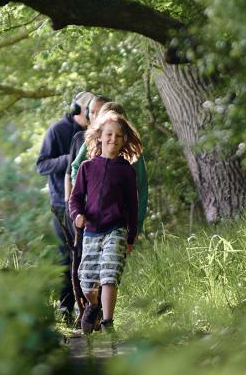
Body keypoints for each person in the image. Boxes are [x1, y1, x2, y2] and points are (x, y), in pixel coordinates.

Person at [69, 109, 143, 334]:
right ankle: (93, 306)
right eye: (109, 134)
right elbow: (75, 198)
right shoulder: (87, 167)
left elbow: (133, 206)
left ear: (124, 141)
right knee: (87, 280)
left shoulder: (126, 171)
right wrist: (77, 215)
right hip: (91, 230)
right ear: (99, 137)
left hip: (116, 229)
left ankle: (108, 323)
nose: (113, 139)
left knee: (109, 274)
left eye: (118, 136)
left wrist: (130, 237)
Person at [36, 91, 94, 323]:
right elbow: (41, 165)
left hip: (90, 205)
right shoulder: (57, 130)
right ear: (78, 110)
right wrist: (68, 159)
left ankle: (89, 310)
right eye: (89, 109)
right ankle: (65, 308)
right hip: (62, 203)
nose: (93, 114)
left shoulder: (95, 132)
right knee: (67, 256)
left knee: (86, 256)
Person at [71, 102, 148, 234]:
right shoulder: (91, 143)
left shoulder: (134, 153)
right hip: (91, 220)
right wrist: (82, 206)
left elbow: (141, 188)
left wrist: (136, 226)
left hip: (118, 224)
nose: (113, 137)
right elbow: (76, 169)